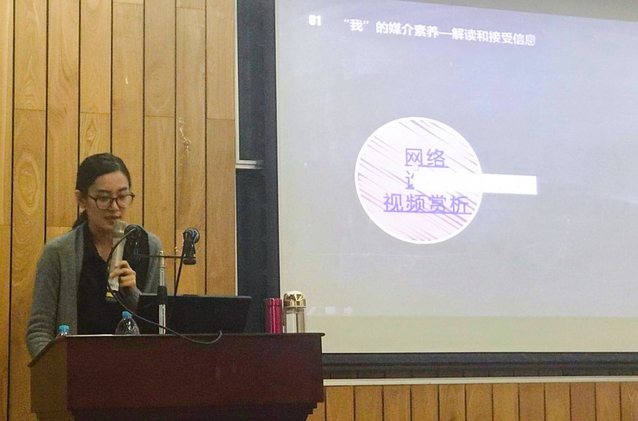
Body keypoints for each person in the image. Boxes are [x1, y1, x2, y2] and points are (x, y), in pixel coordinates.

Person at [26, 153, 162, 358]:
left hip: (135, 368)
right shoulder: (59, 252)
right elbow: (38, 331)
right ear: (81, 199)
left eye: (122, 196)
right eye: (104, 198)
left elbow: (161, 326)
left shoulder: (149, 246)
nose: (115, 207)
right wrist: (61, 368)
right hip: (77, 370)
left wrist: (133, 294)